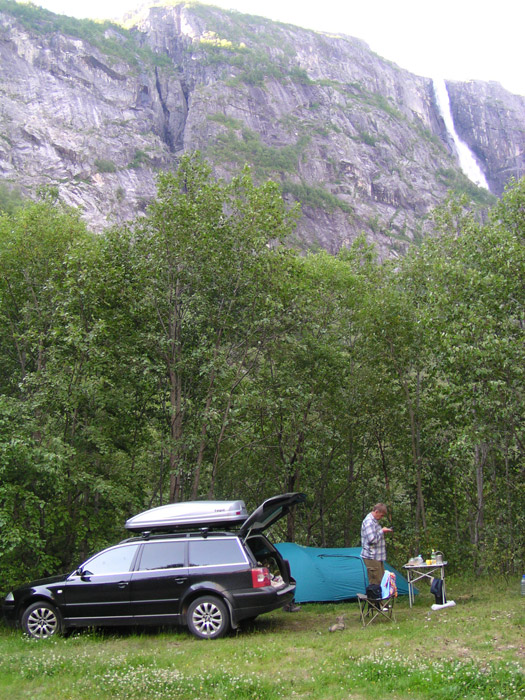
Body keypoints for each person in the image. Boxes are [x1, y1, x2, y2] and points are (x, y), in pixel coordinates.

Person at [360, 503, 393, 585]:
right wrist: (382, 531)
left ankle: (382, 597)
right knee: (376, 582)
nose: (381, 518)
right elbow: (372, 539)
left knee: (381, 580)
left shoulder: (374, 522)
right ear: (376, 511)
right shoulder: (369, 522)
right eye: (381, 515)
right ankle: (374, 598)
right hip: (371, 556)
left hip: (377, 557)